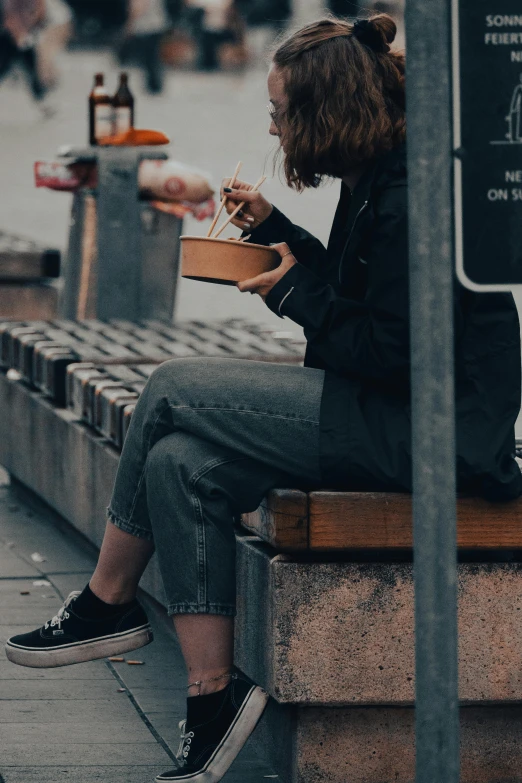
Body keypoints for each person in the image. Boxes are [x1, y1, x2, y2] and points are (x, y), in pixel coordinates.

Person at [5, 13, 522, 783]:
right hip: (387, 411)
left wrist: (289, 295)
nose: (273, 126)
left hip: (428, 433)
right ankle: (213, 700)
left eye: (281, 111)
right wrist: (279, 231)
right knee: (180, 463)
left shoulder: (415, 189)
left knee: (172, 388)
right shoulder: (379, 168)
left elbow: (391, 352)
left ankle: (107, 603)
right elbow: (366, 305)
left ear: (322, 110)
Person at [126, 0, 170, 93]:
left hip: (146, 28)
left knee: (148, 58)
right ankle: (156, 84)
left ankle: (153, 84)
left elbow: (139, 7)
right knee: (154, 57)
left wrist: (130, 23)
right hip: (158, 25)